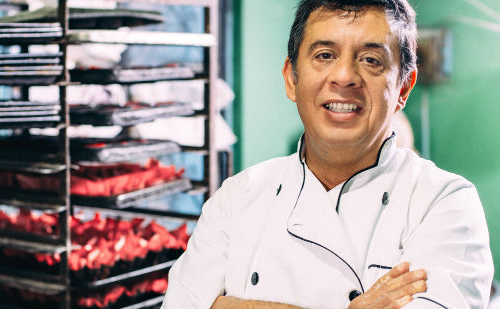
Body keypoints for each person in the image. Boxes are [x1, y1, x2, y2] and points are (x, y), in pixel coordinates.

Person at [161, 0, 493, 308]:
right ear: (292, 78)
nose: (345, 76)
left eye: (371, 60)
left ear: (403, 88)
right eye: (324, 55)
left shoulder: (444, 202)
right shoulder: (237, 196)